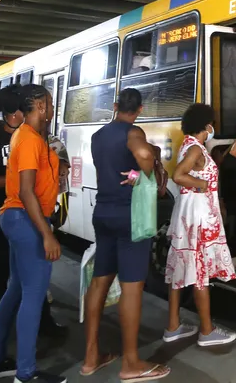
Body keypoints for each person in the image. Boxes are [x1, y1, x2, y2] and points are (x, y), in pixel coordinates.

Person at [81, 88, 170, 380]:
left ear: (116, 106)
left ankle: (91, 356)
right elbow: (144, 154)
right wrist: (142, 173)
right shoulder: (133, 132)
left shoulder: (98, 136)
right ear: (140, 110)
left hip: (103, 213)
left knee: (100, 282)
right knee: (132, 288)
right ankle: (131, 363)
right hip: (129, 217)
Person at [0, 84, 65, 383]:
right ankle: (26, 374)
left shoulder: (30, 137)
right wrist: (47, 234)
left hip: (18, 218)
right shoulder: (28, 138)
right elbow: (26, 191)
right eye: (51, 104)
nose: (53, 110)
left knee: (16, 289)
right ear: (40, 106)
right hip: (26, 219)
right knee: (33, 294)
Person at [162, 103, 236, 348]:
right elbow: (179, 175)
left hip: (187, 212)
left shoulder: (189, 145)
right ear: (206, 125)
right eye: (212, 123)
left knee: (180, 268)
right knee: (200, 271)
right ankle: (207, 330)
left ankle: (173, 326)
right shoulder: (196, 149)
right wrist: (202, 186)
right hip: (198, 215)